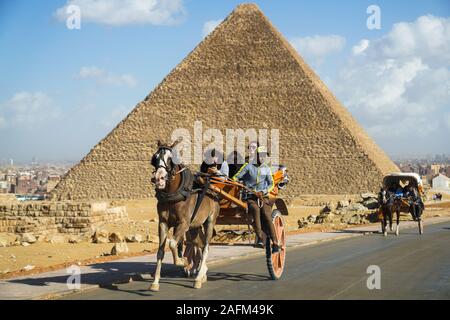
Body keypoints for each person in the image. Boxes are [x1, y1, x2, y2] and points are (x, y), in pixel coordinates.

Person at [232, 146, 280, 252]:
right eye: (260, 155)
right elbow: (236, 177)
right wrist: (240, 183)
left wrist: (263, 192)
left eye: (264, 156)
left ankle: (275, 242)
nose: (262, 158)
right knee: (255, 209)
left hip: (263, 196)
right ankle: (260, 238)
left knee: (267, 215)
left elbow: (271, 184)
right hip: (250, 196)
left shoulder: (266, 168)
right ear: (256, 156)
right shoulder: (248, 166)